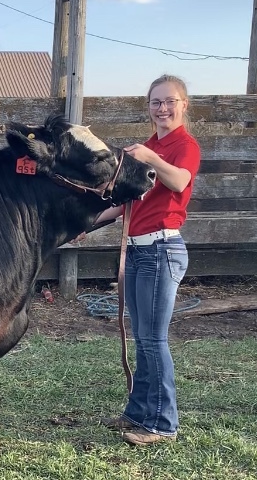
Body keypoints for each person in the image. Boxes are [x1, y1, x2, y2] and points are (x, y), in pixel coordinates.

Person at [86, 74, 202, 446]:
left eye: (170, 101)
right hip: (138, 249)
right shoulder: (151, 145)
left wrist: (150, 156)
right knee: (142, 338)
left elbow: (180, 182)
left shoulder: (184, 146)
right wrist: (86, 225)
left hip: (161, 249)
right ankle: (138, 412)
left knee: (153, 339)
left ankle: (163, 424)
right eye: (156, 102)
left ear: (184, 105)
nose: (162, 108)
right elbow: (127, 204)